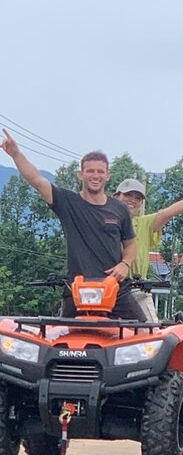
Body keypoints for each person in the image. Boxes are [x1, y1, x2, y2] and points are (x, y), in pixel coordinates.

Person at [0, 129, 145, 320]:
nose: (95, 175)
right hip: (78, 289)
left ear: (107, 175)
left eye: (100, 171)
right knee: (60, 338)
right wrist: (16, 154)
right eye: (90, 171)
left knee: (143, 334)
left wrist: (125, 264)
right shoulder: (67, 202)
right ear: (80, 174)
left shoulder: (119, 209)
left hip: (116, 288)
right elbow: (36, 179)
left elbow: (130, 244)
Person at [113, 177, 183, 322]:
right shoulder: (103, 220)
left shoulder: (144, 224)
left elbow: (168, 212)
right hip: (106, 288)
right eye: (128, 195)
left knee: (150, 334)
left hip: (135, 288)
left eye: (138, 198)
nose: (132, 200)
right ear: (116, 196)